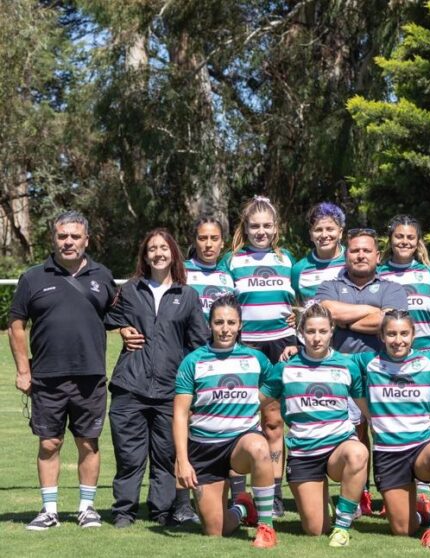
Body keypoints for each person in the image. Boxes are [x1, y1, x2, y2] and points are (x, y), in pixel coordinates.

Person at [11, 211, 117, 530]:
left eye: (74, 236)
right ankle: (49, 510)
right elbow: (16, 325)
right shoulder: (33, 277)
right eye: (62, 236)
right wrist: (22, 370)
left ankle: (87, 508)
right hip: (46, 377)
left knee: (88, 442)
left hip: (91, 377)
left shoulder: (103, 275)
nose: (68, 241)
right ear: (53, 238)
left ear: (86, 239)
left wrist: (126, 330)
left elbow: (118, 316)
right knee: (49, 443)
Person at [105, 229, 208, 528]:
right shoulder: (131, 289)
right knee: (129, 457)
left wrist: (188, 382)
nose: (158, 253)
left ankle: (162, 511)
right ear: (145, 255)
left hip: (169, 391)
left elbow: (198, 344)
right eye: (152, 249)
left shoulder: (187, 295)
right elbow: (107, 316)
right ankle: (124, 511)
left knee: (165, 457)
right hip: (130, 387)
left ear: (173, 253)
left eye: (164, 248)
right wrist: (123, 328)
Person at [258, 303, 368, 547]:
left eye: (322, 331)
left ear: (332, 332)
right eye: (310, 331)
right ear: (300, 333)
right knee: (315, 529)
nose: (316, 338)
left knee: (359, 452)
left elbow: (367, 409)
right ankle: (322, 501)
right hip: (303, 450)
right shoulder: (286, 367)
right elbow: (259, 400)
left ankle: (342, 525)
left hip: (339, 445)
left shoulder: (347, 365)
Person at [172, 295, 278, 548]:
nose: (225, 328)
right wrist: (183, 462)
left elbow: (277, 382)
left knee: (259, 447)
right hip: (204, 448)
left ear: (240, 325)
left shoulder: (256, 359)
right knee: (215, 531)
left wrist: (256, 401)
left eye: (231, 322)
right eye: (219, 322)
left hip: (240, 442)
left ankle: (266, 528)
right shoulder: (193, 361)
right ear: (210, 325)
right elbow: (179, 414)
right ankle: (243, 507)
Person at [350, 310, 430, 548]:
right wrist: (298, 350)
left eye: (404, 333)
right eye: (391, 334)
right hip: (388, 453)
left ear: (413, 335)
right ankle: (419, 512)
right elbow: (332, 362)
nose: (398, 340)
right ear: (381, 336)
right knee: (403, 530)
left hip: (422, 447)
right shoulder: (367, 362)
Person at [221, 195, 296, 515]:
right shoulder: (233, 260)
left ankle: (273, 494)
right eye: (255, 226)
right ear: (245, 228)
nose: (261, 231)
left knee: (274, 422)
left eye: (267, 226)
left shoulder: (288, 259)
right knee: (239, 420)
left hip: (281, 345)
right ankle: (240, 495)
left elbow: (305, 302)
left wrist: (298, 322)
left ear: (276, 228)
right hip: (246, 346)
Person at [315, 228, 408, 355]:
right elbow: (328, 312)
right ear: (346, 256)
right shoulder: (329, 287)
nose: (361, 256)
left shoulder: (393, 289)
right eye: (354, 251)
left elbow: (389, 323)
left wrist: (346, 324)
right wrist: (374, 311)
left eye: (367, 251)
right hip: (339, 364)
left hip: (380, 366)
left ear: (378, 257)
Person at [378, 214, 430, 351]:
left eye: (410, 237)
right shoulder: (378, 275)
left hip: (425, 351)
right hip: (389, 353)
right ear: (390, 239)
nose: (405, 241)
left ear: (417, 242)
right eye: (399, 236)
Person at [291, 202, 347, 308]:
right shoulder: (298, 270)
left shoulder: (353, 262)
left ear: (340, 233)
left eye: (330, 229)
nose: (324, 235)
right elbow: (295, 306)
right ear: (311, 235)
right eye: (318, 230)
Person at [183, 214, 235, 319]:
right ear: (194, 242)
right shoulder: (181, 271)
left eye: (214, 239)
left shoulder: (229, 275)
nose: (208, 244)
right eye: (202, 238)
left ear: (222, 243)